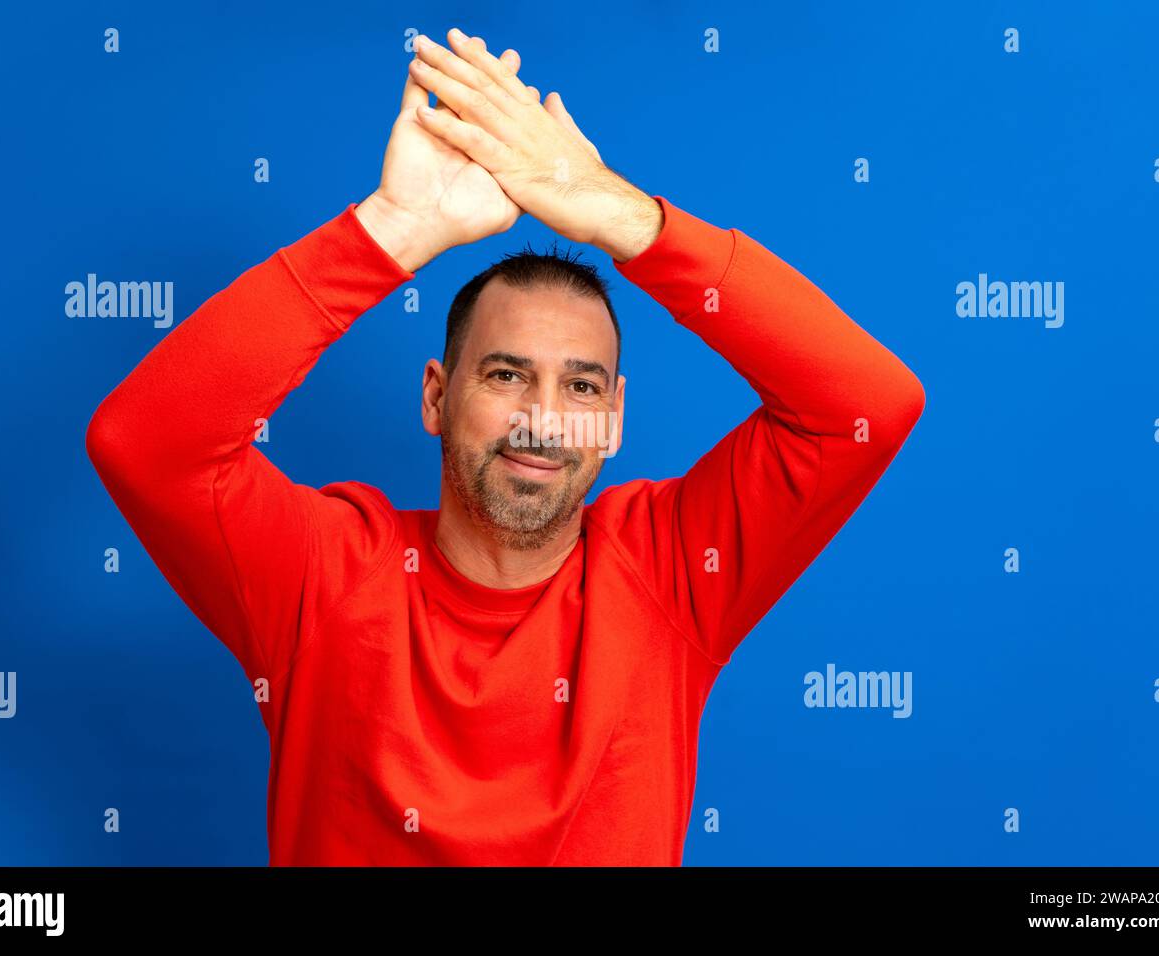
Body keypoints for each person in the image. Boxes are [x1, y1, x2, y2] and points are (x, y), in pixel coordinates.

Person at [85, 28, 926, 865]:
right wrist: (390, 231)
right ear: (436, 397)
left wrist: (617, 213)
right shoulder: (323, 574)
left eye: (583, 387)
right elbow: (145, 442)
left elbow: (869, 404)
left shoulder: (674, 570)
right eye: (505, 375)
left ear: (615, 419)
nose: (545, 418)